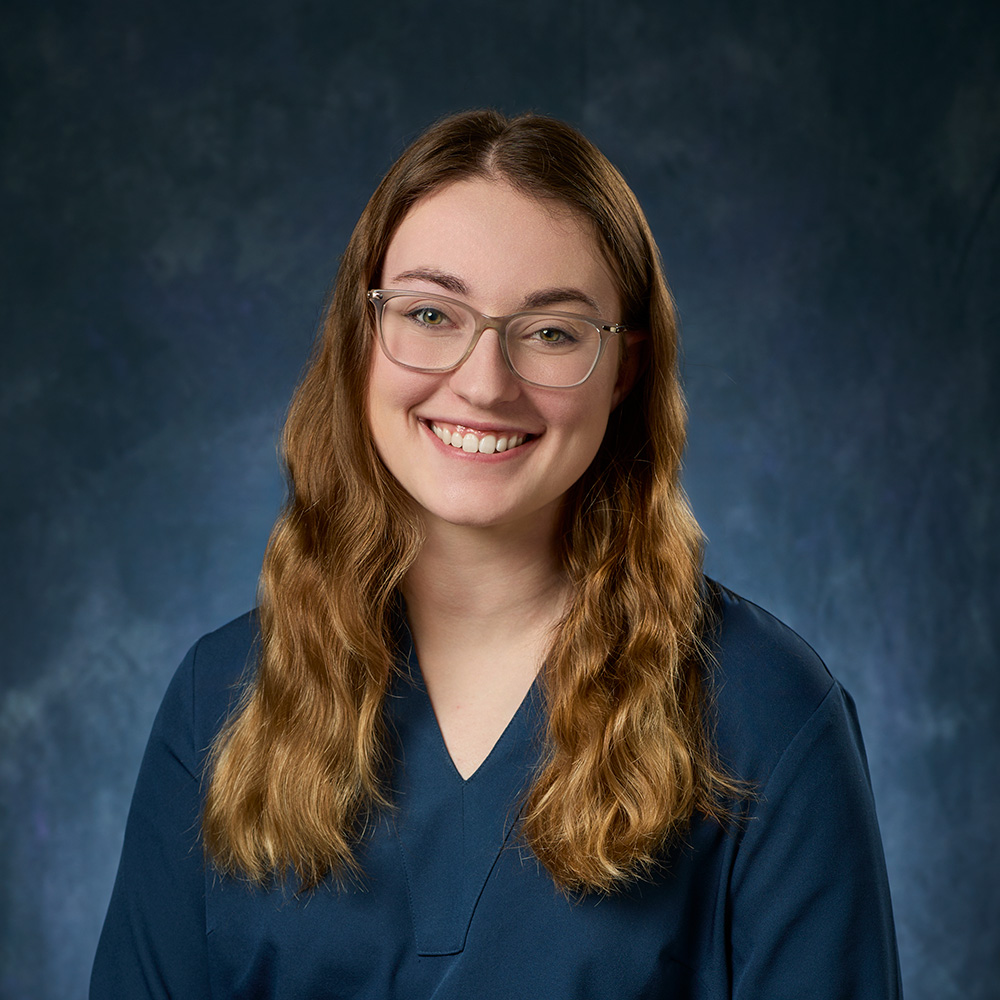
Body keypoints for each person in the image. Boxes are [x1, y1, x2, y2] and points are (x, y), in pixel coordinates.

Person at [91, 110, 902, 999]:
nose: (484, 383)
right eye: (432, 313)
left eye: (553, 331)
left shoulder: (767, 713)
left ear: (624, 370)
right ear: (364, 333)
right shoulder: (219, 699)